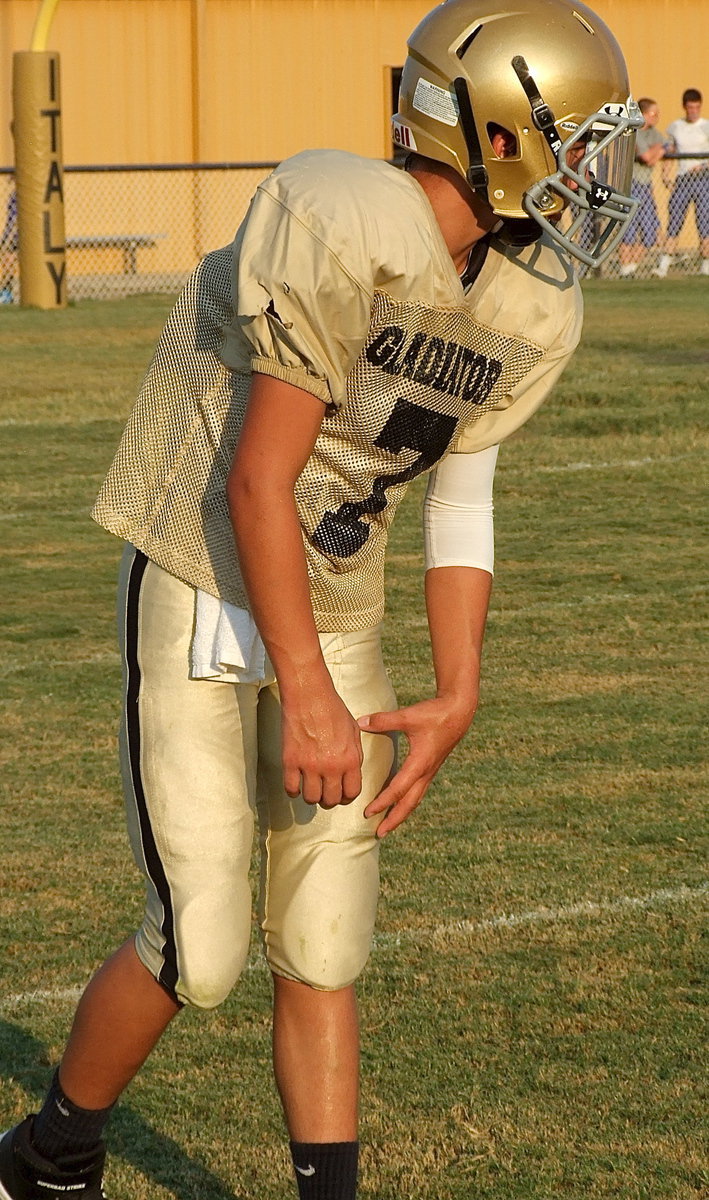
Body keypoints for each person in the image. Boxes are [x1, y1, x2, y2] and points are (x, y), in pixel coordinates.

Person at [0, 2, 641, 1198]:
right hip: (206, 573)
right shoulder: (341, 213)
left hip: (332, 597)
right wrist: (303, 694)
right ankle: (50, 1156)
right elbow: (256, 479)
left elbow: (459, 497)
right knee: (200, 944)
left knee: (328, 936)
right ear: (500, 133)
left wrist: (458, 689)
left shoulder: (526, 293)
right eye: (583, 136)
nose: (599, 168)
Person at [654, 88, 709, 277]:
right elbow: (670, 150)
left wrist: (702, 166)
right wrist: (666, 173)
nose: (693, 111)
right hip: (683, 179)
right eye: (690, 107)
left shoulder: (706, 127)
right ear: (684, 107)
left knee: (704, 222)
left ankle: (706, 265)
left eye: (696, 107)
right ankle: (664, 265)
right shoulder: (675, 127)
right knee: (674, 220)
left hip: (703, 180)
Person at [618, 98, 665, 276]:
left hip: (646, 185)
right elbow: (647, 157)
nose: (657, 117)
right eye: (654, 114)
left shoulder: (654, 134)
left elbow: (657, 151)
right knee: (628, 227)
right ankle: (624, 268)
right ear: (644, 114)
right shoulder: (633, 132)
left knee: (649, 230)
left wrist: (656, 152)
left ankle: (633, 266)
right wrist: (659, 152)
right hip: (631, 184)